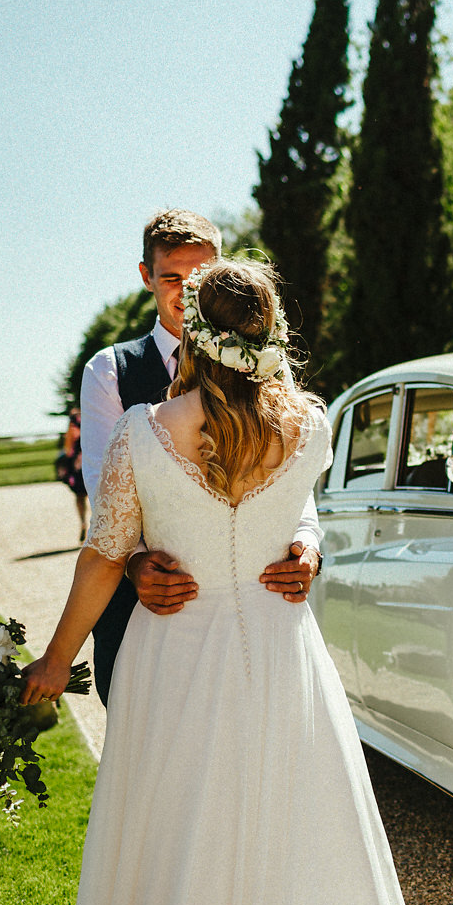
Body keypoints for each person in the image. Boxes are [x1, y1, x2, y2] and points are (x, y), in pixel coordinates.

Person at [21, 257, 449, 905]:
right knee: (293, 832)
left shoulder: (143, 435)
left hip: (177, 654)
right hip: (281, 648)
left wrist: (57, 659)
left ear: (194, 326)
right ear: (270, 328)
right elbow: (294, 505)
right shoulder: (310, 425)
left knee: (180, 839)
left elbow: (102, 556)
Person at [78, 209, 321, 705]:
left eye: (199, 277)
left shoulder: (270, 373)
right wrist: (136, 563)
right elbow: (105, 490)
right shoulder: (111, 371)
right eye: (171, 277)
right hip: (148, 610)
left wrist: (307, 545)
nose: (187, 292)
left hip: (260, 610)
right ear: (146, 277)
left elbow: (296, 481)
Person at [58, 407, 87, 538]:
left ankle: (83, 522)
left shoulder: (73, 425)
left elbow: (67, 447)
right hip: (90, 461)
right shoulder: (90, 420)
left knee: (79, 496)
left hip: (77, 465)